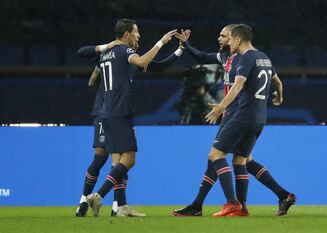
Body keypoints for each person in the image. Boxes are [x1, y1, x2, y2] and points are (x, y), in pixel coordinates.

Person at [173, 24, 295, 217]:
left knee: (216, 156)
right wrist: (186, 46)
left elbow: (238, 86)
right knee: (240, 160)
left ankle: (231, 203)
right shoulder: (251, 57)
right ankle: (264, 200)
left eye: (225, 37)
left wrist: (221, 106)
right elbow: (277, 81)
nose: (223, 40)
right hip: (255, 116)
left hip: (239, 114)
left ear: (236, 38)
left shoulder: (244, 58)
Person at [85, 18, 180, 217]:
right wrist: (161, 42)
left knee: (117, 160)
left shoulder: (107, 55)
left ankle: (120, 207)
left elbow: (156, 66)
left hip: (106, 112)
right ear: (126, 34)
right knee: (129, 159)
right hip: (120, 112)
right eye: (137, 33)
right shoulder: (124, 50)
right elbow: (143, 61)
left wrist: (180, 50)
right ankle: (99, 196)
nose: (139, 37)